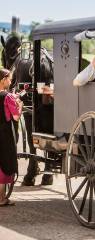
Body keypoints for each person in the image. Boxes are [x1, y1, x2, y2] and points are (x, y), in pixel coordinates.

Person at [0, 68, 23, 206]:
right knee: (5, 162)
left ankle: (2, 197)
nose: (10, 81)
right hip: (5, 134)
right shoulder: (7, 96)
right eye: (9, 79)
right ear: (3, 80)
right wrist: (19, 105)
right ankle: (1, 198)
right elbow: (15, 117)